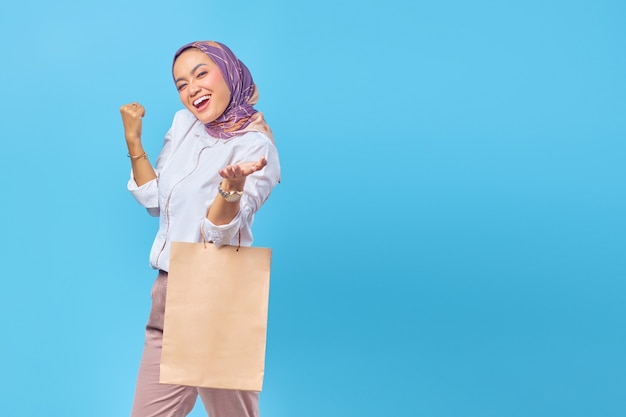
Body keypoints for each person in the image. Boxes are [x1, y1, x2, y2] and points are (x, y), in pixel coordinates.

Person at [119, 40, 280, 417]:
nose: (192, 89)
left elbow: (220, 233)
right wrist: (133, 141)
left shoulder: (256, 147)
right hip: (167, 288)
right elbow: (154, 200)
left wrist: (232, 187)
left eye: (201, 73)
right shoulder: (183, 124)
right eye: (181, 83)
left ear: (228, 72)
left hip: (216, 294)